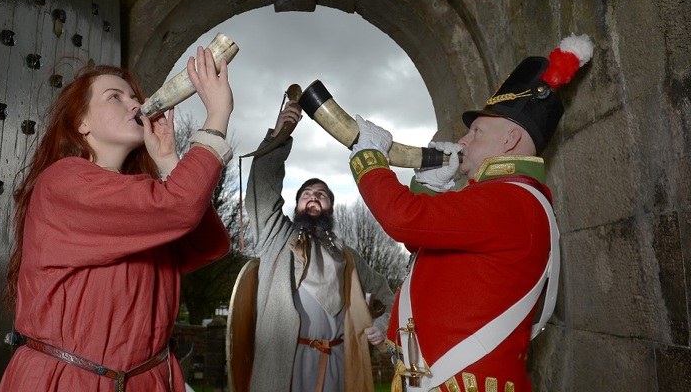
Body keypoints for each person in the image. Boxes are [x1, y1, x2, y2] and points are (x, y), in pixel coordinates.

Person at [346, 34, 593, 392]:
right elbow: (427, 250)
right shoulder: (502, 197)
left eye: (476, 131)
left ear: (508, 143)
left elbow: (403, 220)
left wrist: (368, 158)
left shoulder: (511, 200)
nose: (462, 141)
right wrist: (430, 187)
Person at [0, 46, 234, 392]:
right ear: (82, 123)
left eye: (133, 97)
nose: (135, 105)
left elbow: (210, 245)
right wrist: (216, 116)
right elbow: (179, 207)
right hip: (68, 383)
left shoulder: (145, 198)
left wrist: (170, 161)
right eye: (115, 97)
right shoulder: (64, 182)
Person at [242, 98, 396, 392]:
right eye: (306, 194)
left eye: (321, 194)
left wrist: (381, 325)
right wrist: (278, 136)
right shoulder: (276, 236)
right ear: (297, 205)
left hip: (338, 363)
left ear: (330, 208)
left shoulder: (348, 257)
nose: (313, 196)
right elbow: (262, 190)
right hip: (286, 365)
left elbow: (386, 294)